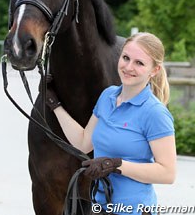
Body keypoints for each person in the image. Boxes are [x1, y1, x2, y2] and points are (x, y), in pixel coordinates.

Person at [46, 32, 176, 215]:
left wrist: (115, 165)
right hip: (101, 206)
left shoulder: (154, 113)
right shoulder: (108, 96)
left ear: (154, 70)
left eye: (139, 63)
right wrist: (54, 105)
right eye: (126, 58)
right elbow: (83, 142)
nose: (128, 67)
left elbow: (167, 173)